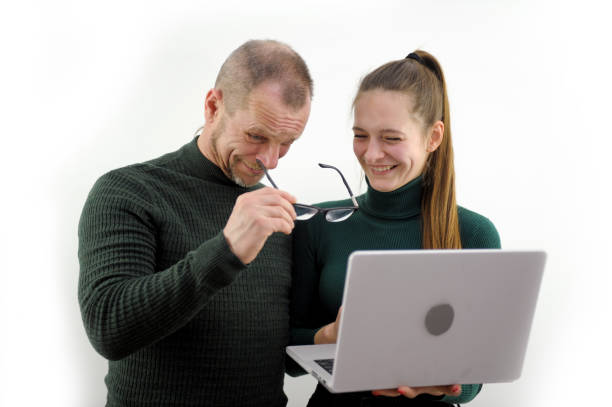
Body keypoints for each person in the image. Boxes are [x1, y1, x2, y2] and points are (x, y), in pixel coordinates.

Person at [78, 39, 312, 407]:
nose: (271, 160)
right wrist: (227, 251)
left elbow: (270, 354)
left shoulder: (278, 216)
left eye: (287, 143)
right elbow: (109, 328)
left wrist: (325, 338)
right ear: (213, 106)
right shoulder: (129, 191)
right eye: (256, 136)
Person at [289, 50, 501, 406]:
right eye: (361, 135)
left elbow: (474, 379)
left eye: (391, 138)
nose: (371, 155)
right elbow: (284, 353)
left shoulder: (474, 233)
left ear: (433, 137)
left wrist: (437, 385)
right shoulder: (319, 224)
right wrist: (328, 336)